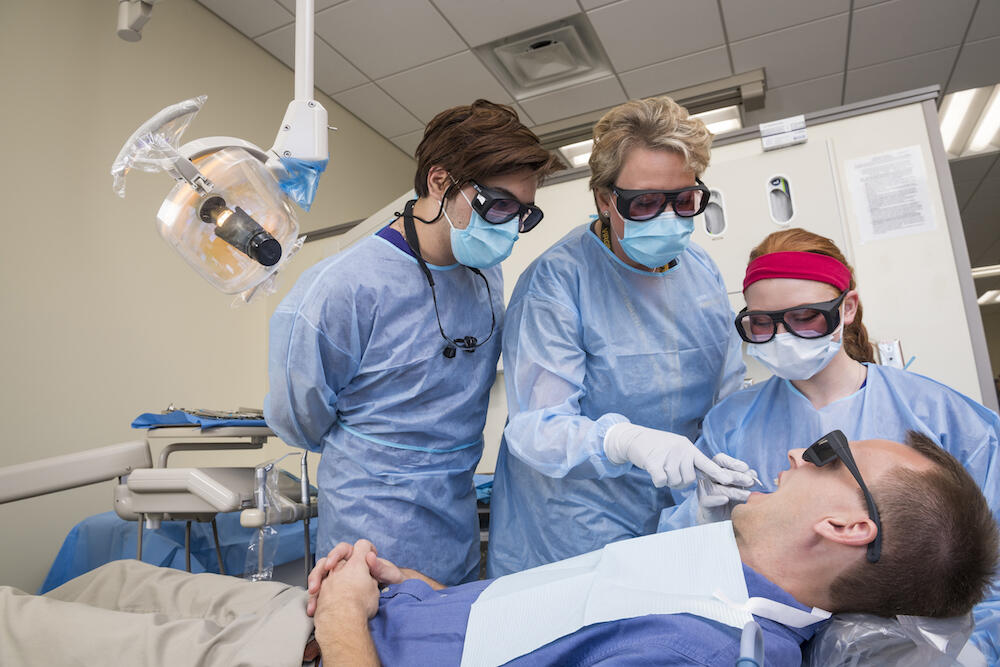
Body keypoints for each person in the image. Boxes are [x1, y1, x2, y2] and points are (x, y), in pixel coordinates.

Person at [3, 433, 995, 666]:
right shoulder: (712, 575)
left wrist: (345, 617)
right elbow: (531, 630)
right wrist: (406, 587)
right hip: (347, 611)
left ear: (847, 525)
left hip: (310, 648)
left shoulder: (702, 651)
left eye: (822, 456)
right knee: (111, 572)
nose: (790, 450)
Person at [660, 227, 1000, 660]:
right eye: (762, 323)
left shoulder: (939, 416)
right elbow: (682, 554)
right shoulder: (731, 423)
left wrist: (977, 652)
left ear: (848, 308)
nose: (783, 336)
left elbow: (989, 561)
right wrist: (699, 522)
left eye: (805, 317)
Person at [264, 99, 558, 586]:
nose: (509, 225)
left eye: (522, 212)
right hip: (368, 533)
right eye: (498, 205)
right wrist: (390, 456)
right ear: (439, 181)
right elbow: (299, 419)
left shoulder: (487, 273)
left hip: (455, 522)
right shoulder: (343, 288)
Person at [487, 95, 753, 577]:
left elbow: (727, 389)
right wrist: (623, 441)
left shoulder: (701, 271)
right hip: (575, 527)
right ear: (605, 199)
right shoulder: (557, 283)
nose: (668, 218)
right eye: (646, 202)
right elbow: (538, 428)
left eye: (684, 200)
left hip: (679, 512)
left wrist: (733, 453)